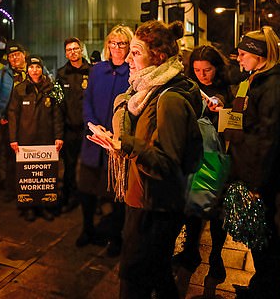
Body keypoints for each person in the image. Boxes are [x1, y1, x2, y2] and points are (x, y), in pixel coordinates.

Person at [87, 20, 203, 299]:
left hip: (156, 206)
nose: (128, 58)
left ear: (158, 56)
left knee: (133, 277)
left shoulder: (170, 99)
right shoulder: (144, 91)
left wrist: (124, 144)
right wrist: (116, 141)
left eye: (136, 52)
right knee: (157, 275)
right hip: (142, 199)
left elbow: (167, 164)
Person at [225, 27, 280, 299]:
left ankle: (267, 291)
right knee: (260, 238)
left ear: (259, 55)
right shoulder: (260, 79)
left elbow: (269, 141)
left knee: (267, 240)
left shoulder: (276, 88)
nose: (239, 59)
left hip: (263, 178)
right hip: (254, 171)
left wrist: (257, 185)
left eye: (243, 54)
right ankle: (261, 286)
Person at [172, 44, 234, 296]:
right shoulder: (189, 85)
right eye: (197, 70)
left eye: (206, 70)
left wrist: (218, 104)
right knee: (195, 207)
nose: (202, 75)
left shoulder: (225, 87)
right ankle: (191, 251)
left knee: (215, 209)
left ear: (216, 69)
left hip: (216, 156)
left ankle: (216, 257)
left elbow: (225, 103)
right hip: (195, 154)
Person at [77, 25, 133, 257]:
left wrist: (116, 133)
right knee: (87, 189)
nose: (116, 47)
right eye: (113, 42)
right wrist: (92, 124)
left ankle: (116, 236)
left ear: (129, 46)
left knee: (116, 194)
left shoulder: (133, 72)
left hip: (116, 144)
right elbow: (87, 101)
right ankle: (87, 228)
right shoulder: (97, 70)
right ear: (107, 45)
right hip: (93, 140)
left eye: (121, 43)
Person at [7, 55, 64, 222]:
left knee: (45, 175)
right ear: (27, 69)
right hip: (26, 139)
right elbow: (12, 114)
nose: (34, 70)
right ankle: (28, 207)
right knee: (28, 176)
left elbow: (57, 114)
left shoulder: (52, 87)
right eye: (31, 67)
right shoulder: (19, 89)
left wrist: (58, 136)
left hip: (46, 139)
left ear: (42, 69)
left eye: (37, 67)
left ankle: (45, 206)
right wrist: (13, 138)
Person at [0, 41, 28, 200]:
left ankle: (28, 187)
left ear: (24, 55)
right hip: (9, 122)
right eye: (11, 56)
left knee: (28, 156)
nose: (14, 58)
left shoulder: (34, 68)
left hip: (30, 121)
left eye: (17, 54)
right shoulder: (2, 74)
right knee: (10, 157)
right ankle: (11, 189)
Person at [56, 37, 91, 214]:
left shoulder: (92, 71)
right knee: (69, 167)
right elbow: (58, 104)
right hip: (70, 129)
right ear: (65, 53)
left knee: (89, 167)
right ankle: (69, 196)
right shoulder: (60, 74)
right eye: (69, 49)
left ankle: (90, 200)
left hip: (89, 130)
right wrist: (59, 133)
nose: (73, 52)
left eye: (76, 49)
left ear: (81, 50)